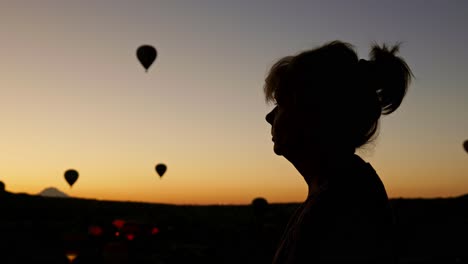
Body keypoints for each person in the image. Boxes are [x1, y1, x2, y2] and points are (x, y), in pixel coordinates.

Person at [264, 40, 413, 263]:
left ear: (313, 112)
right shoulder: (339, 189)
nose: (269, 117)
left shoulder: (342, 207)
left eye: (282, 102)